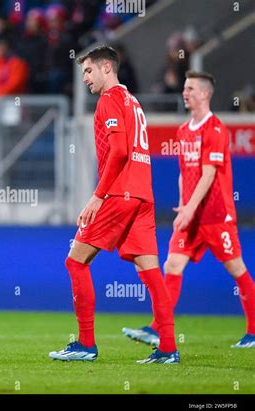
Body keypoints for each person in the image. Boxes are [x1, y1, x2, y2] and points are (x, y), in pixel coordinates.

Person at [49, 46, 179, 364]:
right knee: (150, 271)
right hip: (143, 195)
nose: (85, 79)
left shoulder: (108, 100)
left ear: (107, 67)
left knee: (76, 261)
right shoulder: (132, 101)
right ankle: (168, 348)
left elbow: (119, 151)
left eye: (89, 71)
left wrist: (97, 196)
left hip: (119, 193)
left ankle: (85, 343)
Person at [123, 71, 255, 348]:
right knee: (172, 264)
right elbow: (185, 174)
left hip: (216, 216)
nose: (185, 93)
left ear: (205, 94)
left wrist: (189, 209)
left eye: (191, 88)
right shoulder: (183, 131)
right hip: (191, 215)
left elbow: (208, 174)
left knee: (236, 268)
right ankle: (158, 328)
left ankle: (253, 331)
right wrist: (184, 205)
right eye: (184, 88)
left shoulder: (216, 129)